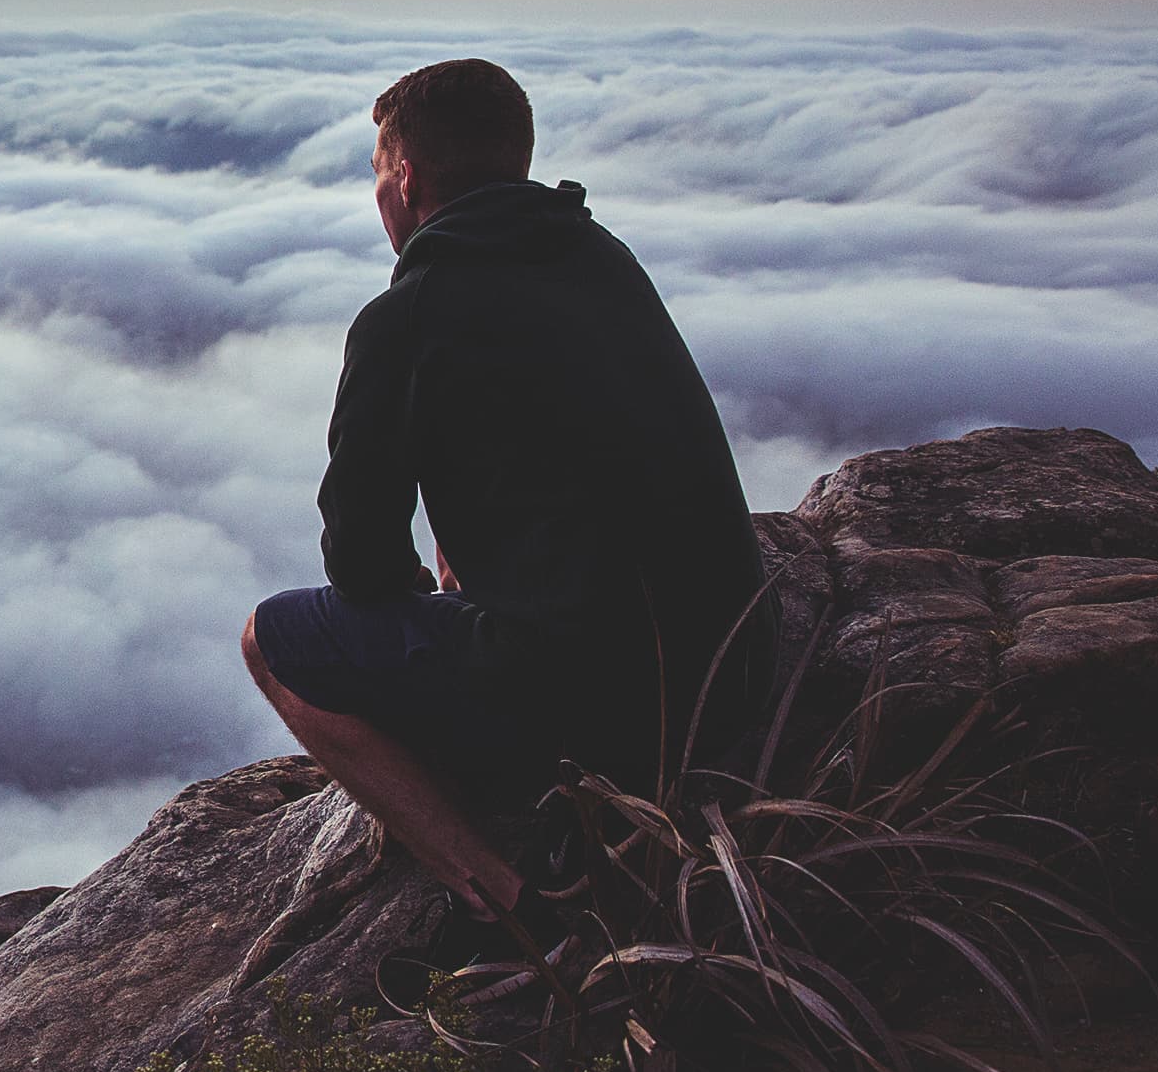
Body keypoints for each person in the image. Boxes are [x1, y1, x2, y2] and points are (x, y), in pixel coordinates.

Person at [240, 57, 767, 938]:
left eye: (378, 173)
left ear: (404, 179)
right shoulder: (602, 257)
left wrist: (429, 596)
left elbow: (359, 560)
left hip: (601, 715)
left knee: (275, 640)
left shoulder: (407, 318)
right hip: (734, 678)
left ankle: (513, 903)